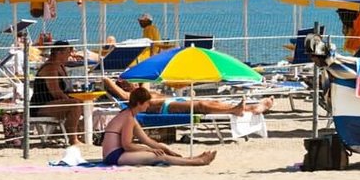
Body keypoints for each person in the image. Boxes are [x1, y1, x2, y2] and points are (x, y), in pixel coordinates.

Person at [99, 86, 217, 167]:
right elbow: (127, 145)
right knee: (159, 157)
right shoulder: (128, 118)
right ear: (140, 103)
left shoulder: (130, 116)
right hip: (114, 156)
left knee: (161, 152)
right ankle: (198, 162)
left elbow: (146, 140)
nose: (149, 106)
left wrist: (166, 149)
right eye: (147, 103)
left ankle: (191, 159)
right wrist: (149, 150)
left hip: (116, 153)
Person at [101, 77, 275, 116]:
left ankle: (252, 108)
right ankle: (233, 111)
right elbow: (108, 83)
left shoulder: (141, 89)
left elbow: (146, 79)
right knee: (200, 106)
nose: (132, 82)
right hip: (165, 108)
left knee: (209, 101)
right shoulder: (130, 97)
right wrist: (108, 79)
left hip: (172, 101)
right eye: (126, 81)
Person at [30, 42, 85, 145]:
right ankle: (73, 139)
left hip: (55, 103)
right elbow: (56, 92)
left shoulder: (61, 66)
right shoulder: (50, 68)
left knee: (85, 103)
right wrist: (73, 99)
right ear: (59, 53)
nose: (70, 55)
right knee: (75, 105)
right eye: (68, 52)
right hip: (41, 105)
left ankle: (82, 134)